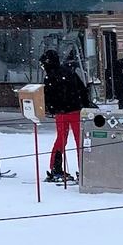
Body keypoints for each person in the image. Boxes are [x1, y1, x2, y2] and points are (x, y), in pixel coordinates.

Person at [44, 49, 92, 184]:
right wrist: (85, 104)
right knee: (80, 140)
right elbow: (82, 89)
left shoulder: (49, 77)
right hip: (75, 110)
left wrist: (52, 108)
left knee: (61, 139)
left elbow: (48, 96)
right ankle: (84, 168)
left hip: (61, 112)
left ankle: (56, 168)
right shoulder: (69, 72)